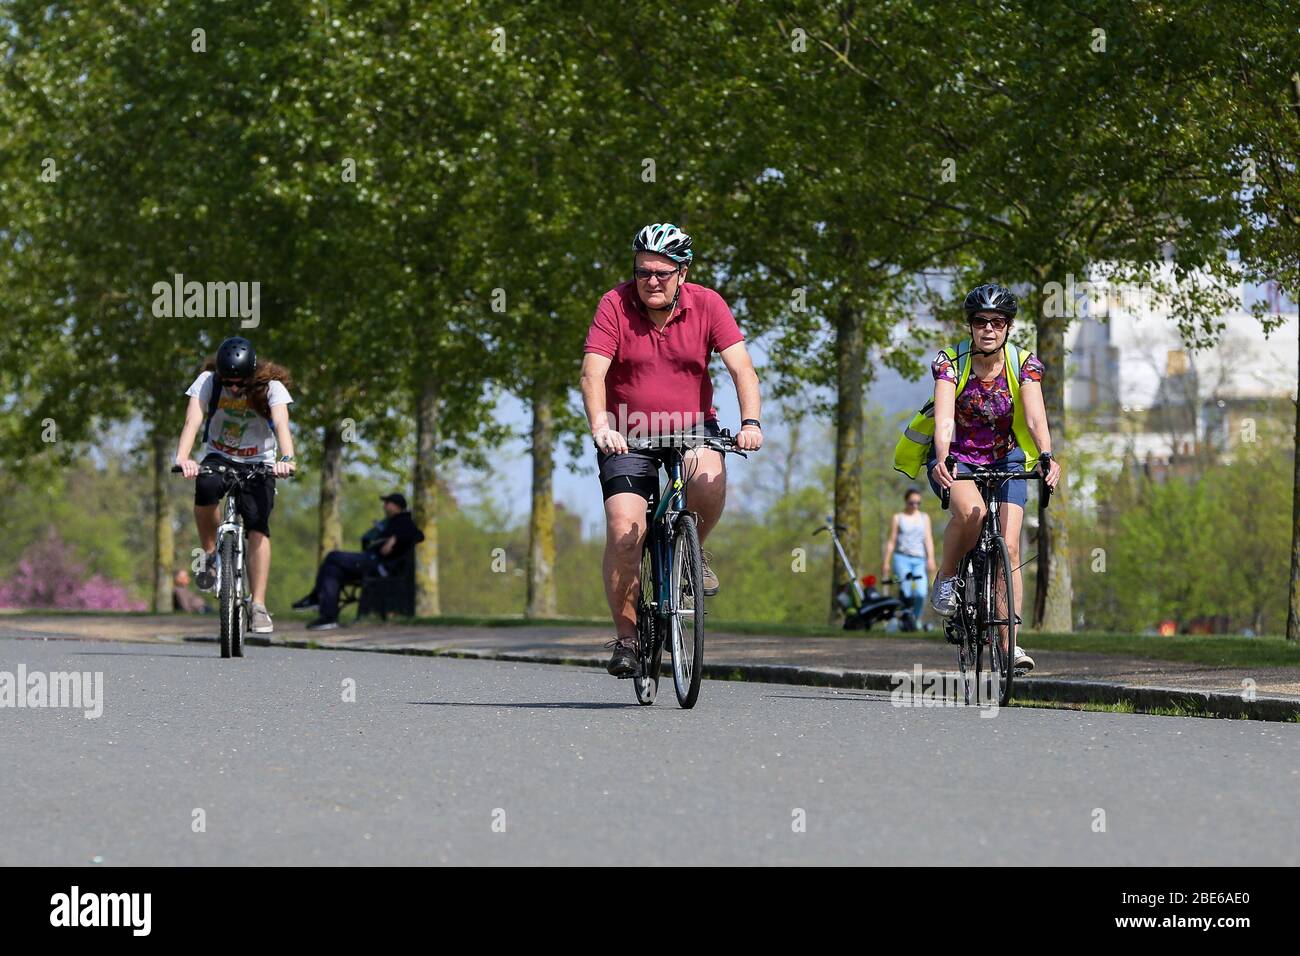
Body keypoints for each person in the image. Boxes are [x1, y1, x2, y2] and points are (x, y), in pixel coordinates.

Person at [580, 222, 763, 678]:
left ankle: (691, 550)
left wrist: (750, 423)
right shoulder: (614, 304)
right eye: (644, 272)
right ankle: (626, 639)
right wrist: (602, 426)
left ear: (683, 272)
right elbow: (592, 374)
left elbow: (742, 369)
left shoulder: (708, 303)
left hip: (692, 426)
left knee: (709, 477)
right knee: (625, 527)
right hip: (628, 431)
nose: (652, 281)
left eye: (663, 272)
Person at [925, 284, 1061, 672]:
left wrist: (1047, 454)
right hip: (958, 458)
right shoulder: (950, 361)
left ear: (1008, 327)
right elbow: (945, 417)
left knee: (1011, 547)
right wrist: (943, 456)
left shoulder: (1024, 364)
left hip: (1007, 456)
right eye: (980, 322)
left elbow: (1034, 417)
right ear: (970, 326)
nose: (988, 329)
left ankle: (1009, 645)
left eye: (997, 322)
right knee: (972, 514)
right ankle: (948, 576)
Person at [174, 336, 296, 635]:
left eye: (239, 383)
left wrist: (287, 458)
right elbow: (192, 421)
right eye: (228, 382)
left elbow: (281, 424)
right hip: (220, 455)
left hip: (260, 461)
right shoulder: (207, 382)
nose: (233, 388)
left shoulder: (271, 388)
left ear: (252, 375)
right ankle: (209, 555)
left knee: (257, 525)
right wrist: (183, 457)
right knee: (205, 485)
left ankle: (258, 605)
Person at [292, 493, 424, 630]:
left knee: (333, 556)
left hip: (377, 565)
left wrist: (395, 538)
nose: (384, 506)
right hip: (371, 562)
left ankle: (314, 599)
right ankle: (328, 618)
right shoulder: (392, 521)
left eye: (387, 503)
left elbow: (419, 535)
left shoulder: (403, 520)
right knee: (333, 571)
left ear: (397, 506)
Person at [882, 488, 935, 626]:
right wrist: (886, 562)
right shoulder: (898, 518)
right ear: (906, 502)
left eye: (918, 503)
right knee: (906, 591)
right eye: (912, 502)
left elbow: (928, 539)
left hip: (919, 559)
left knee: (920, 592)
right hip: (902, 558)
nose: (915, 506)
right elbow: (891, 540)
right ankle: (905, 621)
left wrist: (931, 559)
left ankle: (915, 619)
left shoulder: (924, 518)